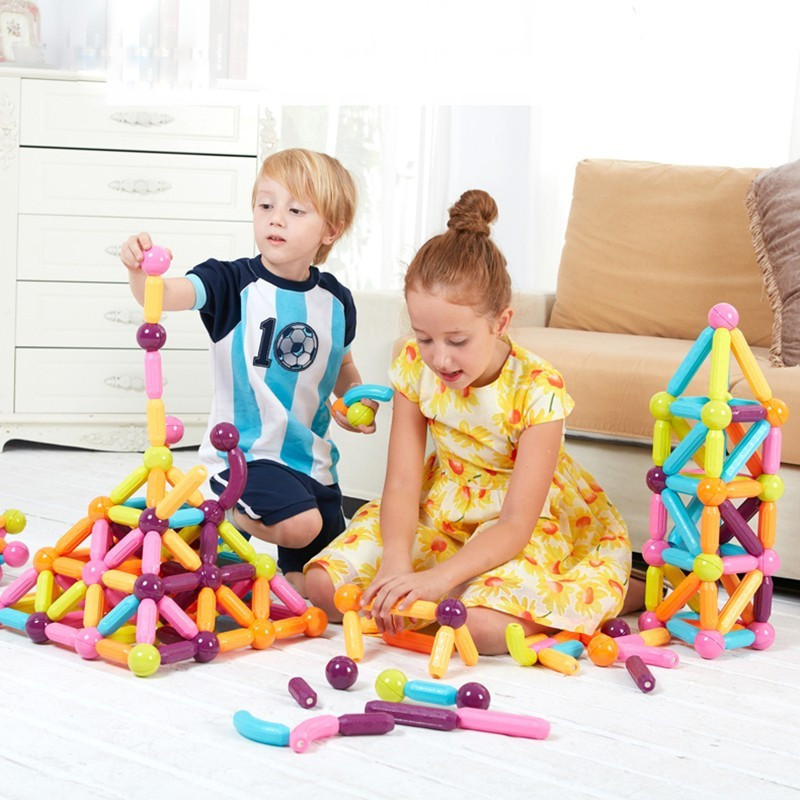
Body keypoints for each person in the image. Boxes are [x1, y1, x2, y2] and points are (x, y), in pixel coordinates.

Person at [307, 189, 643, 654]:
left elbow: (517, 523)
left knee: (477, 629)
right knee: (325, 587)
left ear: (500, 322)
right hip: (442, 508)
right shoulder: (415, 366)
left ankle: (620, 589)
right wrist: (396, 562)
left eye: (458, 340)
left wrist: (438, 579)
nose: (440, 358)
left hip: (518, 525)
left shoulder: (538, 388)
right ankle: (451, 587)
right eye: (425, 337)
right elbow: (402, 483)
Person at [120, 148, 376, 596]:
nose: (276, 219)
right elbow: (158, 296)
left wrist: (355, 399)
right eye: (266, 205)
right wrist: (138, 270)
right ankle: (220, 510)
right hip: (245, 458)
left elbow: (344, 366)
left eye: (295, 210)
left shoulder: (337, 301)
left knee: (327, 585)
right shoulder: (230, 282)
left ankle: (278, 580)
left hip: (313, 464)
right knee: (301, 525)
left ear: (330, 229)